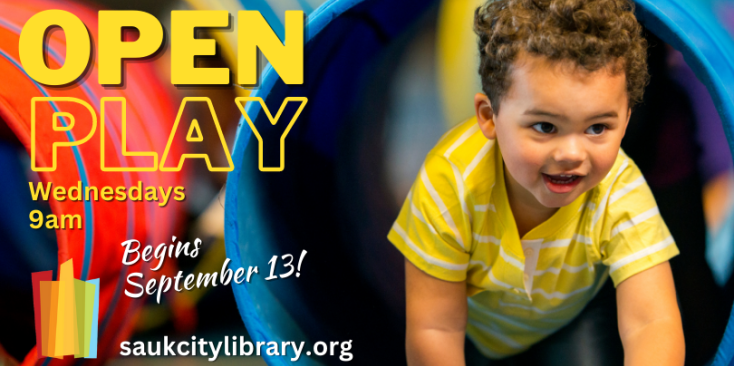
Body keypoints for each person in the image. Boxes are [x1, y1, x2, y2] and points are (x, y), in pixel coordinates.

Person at [387, 0, 685, 364]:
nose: (572, 154)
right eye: (545, 127)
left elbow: (652, 324)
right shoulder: (450, 183)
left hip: (568, 322)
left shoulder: (618, 192)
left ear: (625, 121)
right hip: (471, 330)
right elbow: (435, 329)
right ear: (489, 117)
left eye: (598, 128)